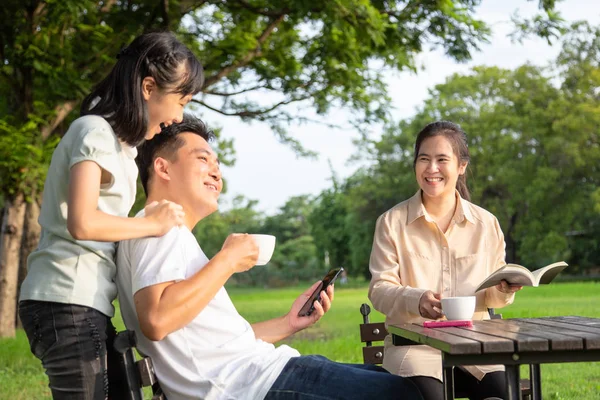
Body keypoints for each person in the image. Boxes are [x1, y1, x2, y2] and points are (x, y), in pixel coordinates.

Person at [115, 114, 423, 400]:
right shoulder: (158, 227)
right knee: (404, 393)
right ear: (163, 168)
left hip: (260, 374)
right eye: (203, 159)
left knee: (405, 385)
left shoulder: (171, 234)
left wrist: (288, 323)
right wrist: (227, 261)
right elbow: (156, 320)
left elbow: (222, 345)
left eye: (218, 163)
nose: (216, 172)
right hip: (250, 386)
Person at [18, 31, 204, 399]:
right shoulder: (95, 132)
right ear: (149, 87)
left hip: (85, 303)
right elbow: (82, 222)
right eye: (181, 100)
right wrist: (151, 224)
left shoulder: (123, 149)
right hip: (65, 298)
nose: (179, 115)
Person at [368, 121, 523, 400]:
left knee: (506, 393)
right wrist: (416, 299)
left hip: (476, 347)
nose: (431, 169)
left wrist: (503, 290)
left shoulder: (486, 224)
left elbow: (492, 298)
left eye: (442, 160)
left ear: (461, 165)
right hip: (413, 348)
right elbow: (379, 290)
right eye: (424, 159)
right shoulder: (392, 223)